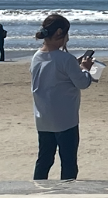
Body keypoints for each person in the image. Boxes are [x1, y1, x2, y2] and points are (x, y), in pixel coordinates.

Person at [30, 12, 94, 180]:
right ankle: (67, 192)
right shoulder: (66, 59)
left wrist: (75, 65)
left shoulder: (37, 57)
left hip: (43, 118)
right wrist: (85, 68)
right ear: (60, 33)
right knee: (68, 161)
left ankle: (37, 187)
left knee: (44, 159)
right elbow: (83, 83)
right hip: (65, 119)